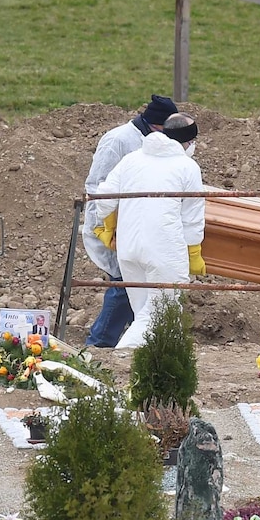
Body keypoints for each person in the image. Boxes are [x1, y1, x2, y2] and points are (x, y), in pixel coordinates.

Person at [93, 112, 206, 349]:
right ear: (186, 142)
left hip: (128, 249)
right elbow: (192, 217)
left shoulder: (132, 159)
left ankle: (161, 361)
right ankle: (122, 355)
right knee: (159, 313)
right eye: (193, 142)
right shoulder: (187, 167)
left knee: (143, 310)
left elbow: (103, 199)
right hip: (163, 249)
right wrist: (193, 252)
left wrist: (107, 226)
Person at [82, 95, 179, 347]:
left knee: (133, 287)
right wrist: (105, 228)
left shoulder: (151, 143)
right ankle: (99, 344)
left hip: (140, 227)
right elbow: (96, 186)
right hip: (114, 226)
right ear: (156, 125)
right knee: (123, 286)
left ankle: (124, 341)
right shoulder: (118, 141)